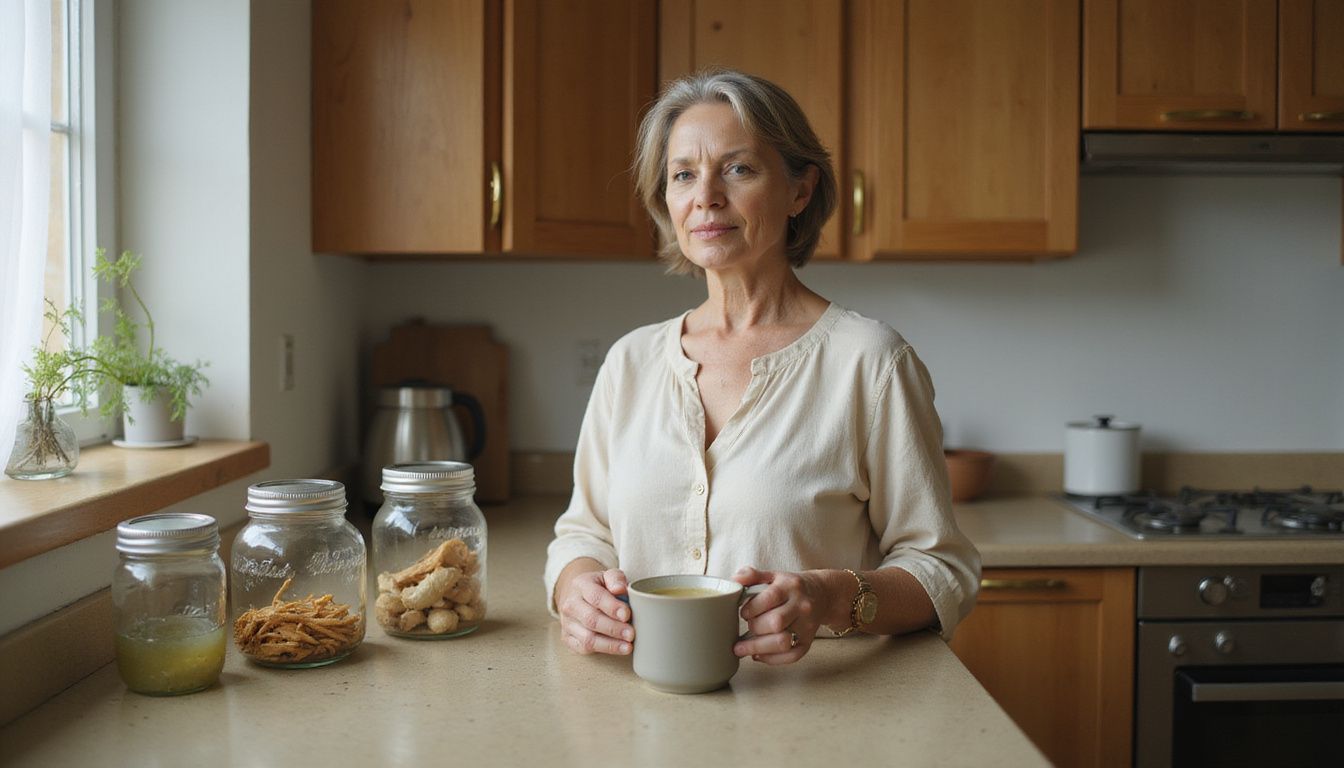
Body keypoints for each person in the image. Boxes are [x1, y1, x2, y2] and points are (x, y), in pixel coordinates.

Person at [544, 69, 980, 665]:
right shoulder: (630, 362)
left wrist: (829, 596)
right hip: (640, 716)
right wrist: (575, 588)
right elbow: (584, 534)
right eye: (684, 175)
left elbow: (942, 570)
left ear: (800, 191)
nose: (706, 197)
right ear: (665, 200)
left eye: (739, 168)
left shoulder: (870, 362)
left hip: (815, 716)